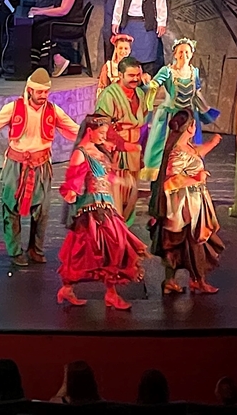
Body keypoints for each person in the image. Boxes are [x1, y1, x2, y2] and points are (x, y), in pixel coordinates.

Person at [0, 68, 80, 267]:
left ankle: (36, 249)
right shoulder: (14, 108)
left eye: (46, 92)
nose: (43, 96)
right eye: (40, 92)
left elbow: (74, 129)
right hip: (16, 165)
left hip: (41, 167)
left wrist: (96, 136)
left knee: (42, 210)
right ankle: (15, 251)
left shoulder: (53, 110)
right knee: (11, 207)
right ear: (30, 90)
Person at [56, 114, 148, 309]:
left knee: (101, 249)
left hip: (106, 204)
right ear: (90, 131)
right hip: (93, 208)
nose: (104, 137)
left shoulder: (99, 150)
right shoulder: (81, 153)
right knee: (104, 247)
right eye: (102, 133)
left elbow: (105, 175)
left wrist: (121, 180)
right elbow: (73, 180)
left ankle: (86, 290)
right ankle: (100, 292)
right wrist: (71, 192)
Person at [149, 109, 225, 294]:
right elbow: (170, 181)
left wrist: (213, 143)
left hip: (194, 202)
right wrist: (196, 178)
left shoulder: (186, 147)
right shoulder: (177, 152)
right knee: (193, 241)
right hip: (184, 206)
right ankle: (198, 281)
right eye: (194, 124)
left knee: (183, 243)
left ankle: (172, 281)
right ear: (190, 127)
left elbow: (196, 154)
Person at [140, 38, 220, 184]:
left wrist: (205, 111)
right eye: (181, 52)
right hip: (170, 116)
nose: (184, 55)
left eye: (187, 52)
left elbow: (196, 94)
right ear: (175, 54)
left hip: (188, 116)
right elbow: (154, 85)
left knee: (189, 146)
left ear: (192, 54)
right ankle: (163, 179)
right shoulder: (168, 71)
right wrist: (145, 84)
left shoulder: (194, 72)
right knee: (166, 147)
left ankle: (189, 172)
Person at [94, 56, 154, 224]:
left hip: (134, 151)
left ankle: (125, 229)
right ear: (120, 75)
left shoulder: (140, 94)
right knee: (116, 194)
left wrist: (142, 151)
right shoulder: (109, 95)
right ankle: (114, 231)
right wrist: (122, 145)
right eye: (131, 75)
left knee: (131, 194)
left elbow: (143, 124)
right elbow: (102, 125)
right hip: (115, 152)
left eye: (138, 75)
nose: (136, 79)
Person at [28, 0, 85, 77]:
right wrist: (39, 10)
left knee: (42, 29)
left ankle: (56, 59)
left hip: (71, 26)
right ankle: (35, 63)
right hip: (64, 23)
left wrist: (40, 13)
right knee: (38, 26)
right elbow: (55, 6)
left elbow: (63, 11)